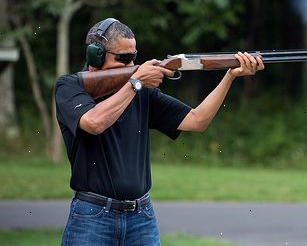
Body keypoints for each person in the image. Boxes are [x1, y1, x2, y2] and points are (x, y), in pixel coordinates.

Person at [55, 18, 264, 245]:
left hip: (141, 216)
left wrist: (230, 76)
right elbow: (94, 123)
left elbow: (197, 120)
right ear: (95, 55)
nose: (132, 63)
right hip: (92, 216)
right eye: (124, 58)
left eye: (134, 57)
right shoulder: (70, 86)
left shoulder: (142, 91)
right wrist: (135, 83)